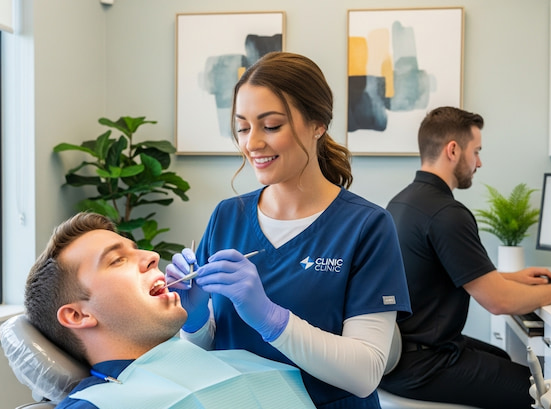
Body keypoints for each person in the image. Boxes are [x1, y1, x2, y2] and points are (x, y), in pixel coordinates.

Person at [166, 51, 412, 409]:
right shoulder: (227, 216)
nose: (252, 143)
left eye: (271, 126)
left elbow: (365, 374)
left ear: (318, 124)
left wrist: (271, 318)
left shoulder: (367, 226)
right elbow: (207, 349)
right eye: (242, 127)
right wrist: (195, 320)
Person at [378, 106, 551, 409]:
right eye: (477, 151)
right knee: (541, 392)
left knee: (501, 357)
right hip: (425, 365)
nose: (479, 162)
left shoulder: (405, 200)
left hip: (401, 356)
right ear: (453, 150)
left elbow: (436, 272)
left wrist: (508, 278)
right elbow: (500, 303)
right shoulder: (447, 213)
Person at [23, 212, 316, 409]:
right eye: (116, 260)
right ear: (78, 315)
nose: (152, 257)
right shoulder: (97, 404)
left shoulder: (239, 362)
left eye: (136, 248)